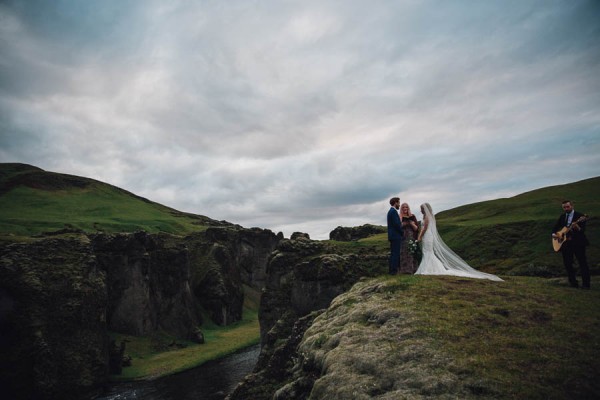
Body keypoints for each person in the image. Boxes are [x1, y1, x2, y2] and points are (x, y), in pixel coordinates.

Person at [415, 203, 503, 281]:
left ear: (425, 209)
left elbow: (425, 228)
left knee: (428, 252)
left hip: (427, 236)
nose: (421, 210)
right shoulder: (428, 217)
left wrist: (419, 237)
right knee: (427, 252)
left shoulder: (427, 217)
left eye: (422, 209)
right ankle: (430, 268)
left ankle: (428, 269)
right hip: (427, 236)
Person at [552, 200, 590, 289]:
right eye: (564, 207)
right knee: (568, 264)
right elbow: (555, 228)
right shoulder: (562, 217)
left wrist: (577, 227)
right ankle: (573, 283)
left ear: (572, 206)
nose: (566, 209)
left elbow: (582, 231)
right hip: (566, 244)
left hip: (578, 243)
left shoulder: (580, 216)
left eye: (567, 207)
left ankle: (586, 285)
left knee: (582, 263)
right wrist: (555, 234)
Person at [399, 203, 419, 273]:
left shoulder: (412, 216)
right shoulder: (399, 217)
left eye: (406, 207)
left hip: (411, 235)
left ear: (408, 208)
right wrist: (402, 223)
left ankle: (413, 269)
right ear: (401, 208)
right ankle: (404, 270)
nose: (405, 209)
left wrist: (411, 224)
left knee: (411, 252)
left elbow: (416, 228)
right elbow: (398, 227)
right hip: (403, 236)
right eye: (403, 207)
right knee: (404, 253)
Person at [387, 197, 403, 275]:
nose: (399, 205)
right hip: (395, 236)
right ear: (395, 203)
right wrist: (402, 232)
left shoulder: (390, 211)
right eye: (399, 203)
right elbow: (397, 224)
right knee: (395, 254)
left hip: (392, 236)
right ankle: (393, 271)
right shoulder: (393, 212)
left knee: (393, 253)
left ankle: (391, 271)